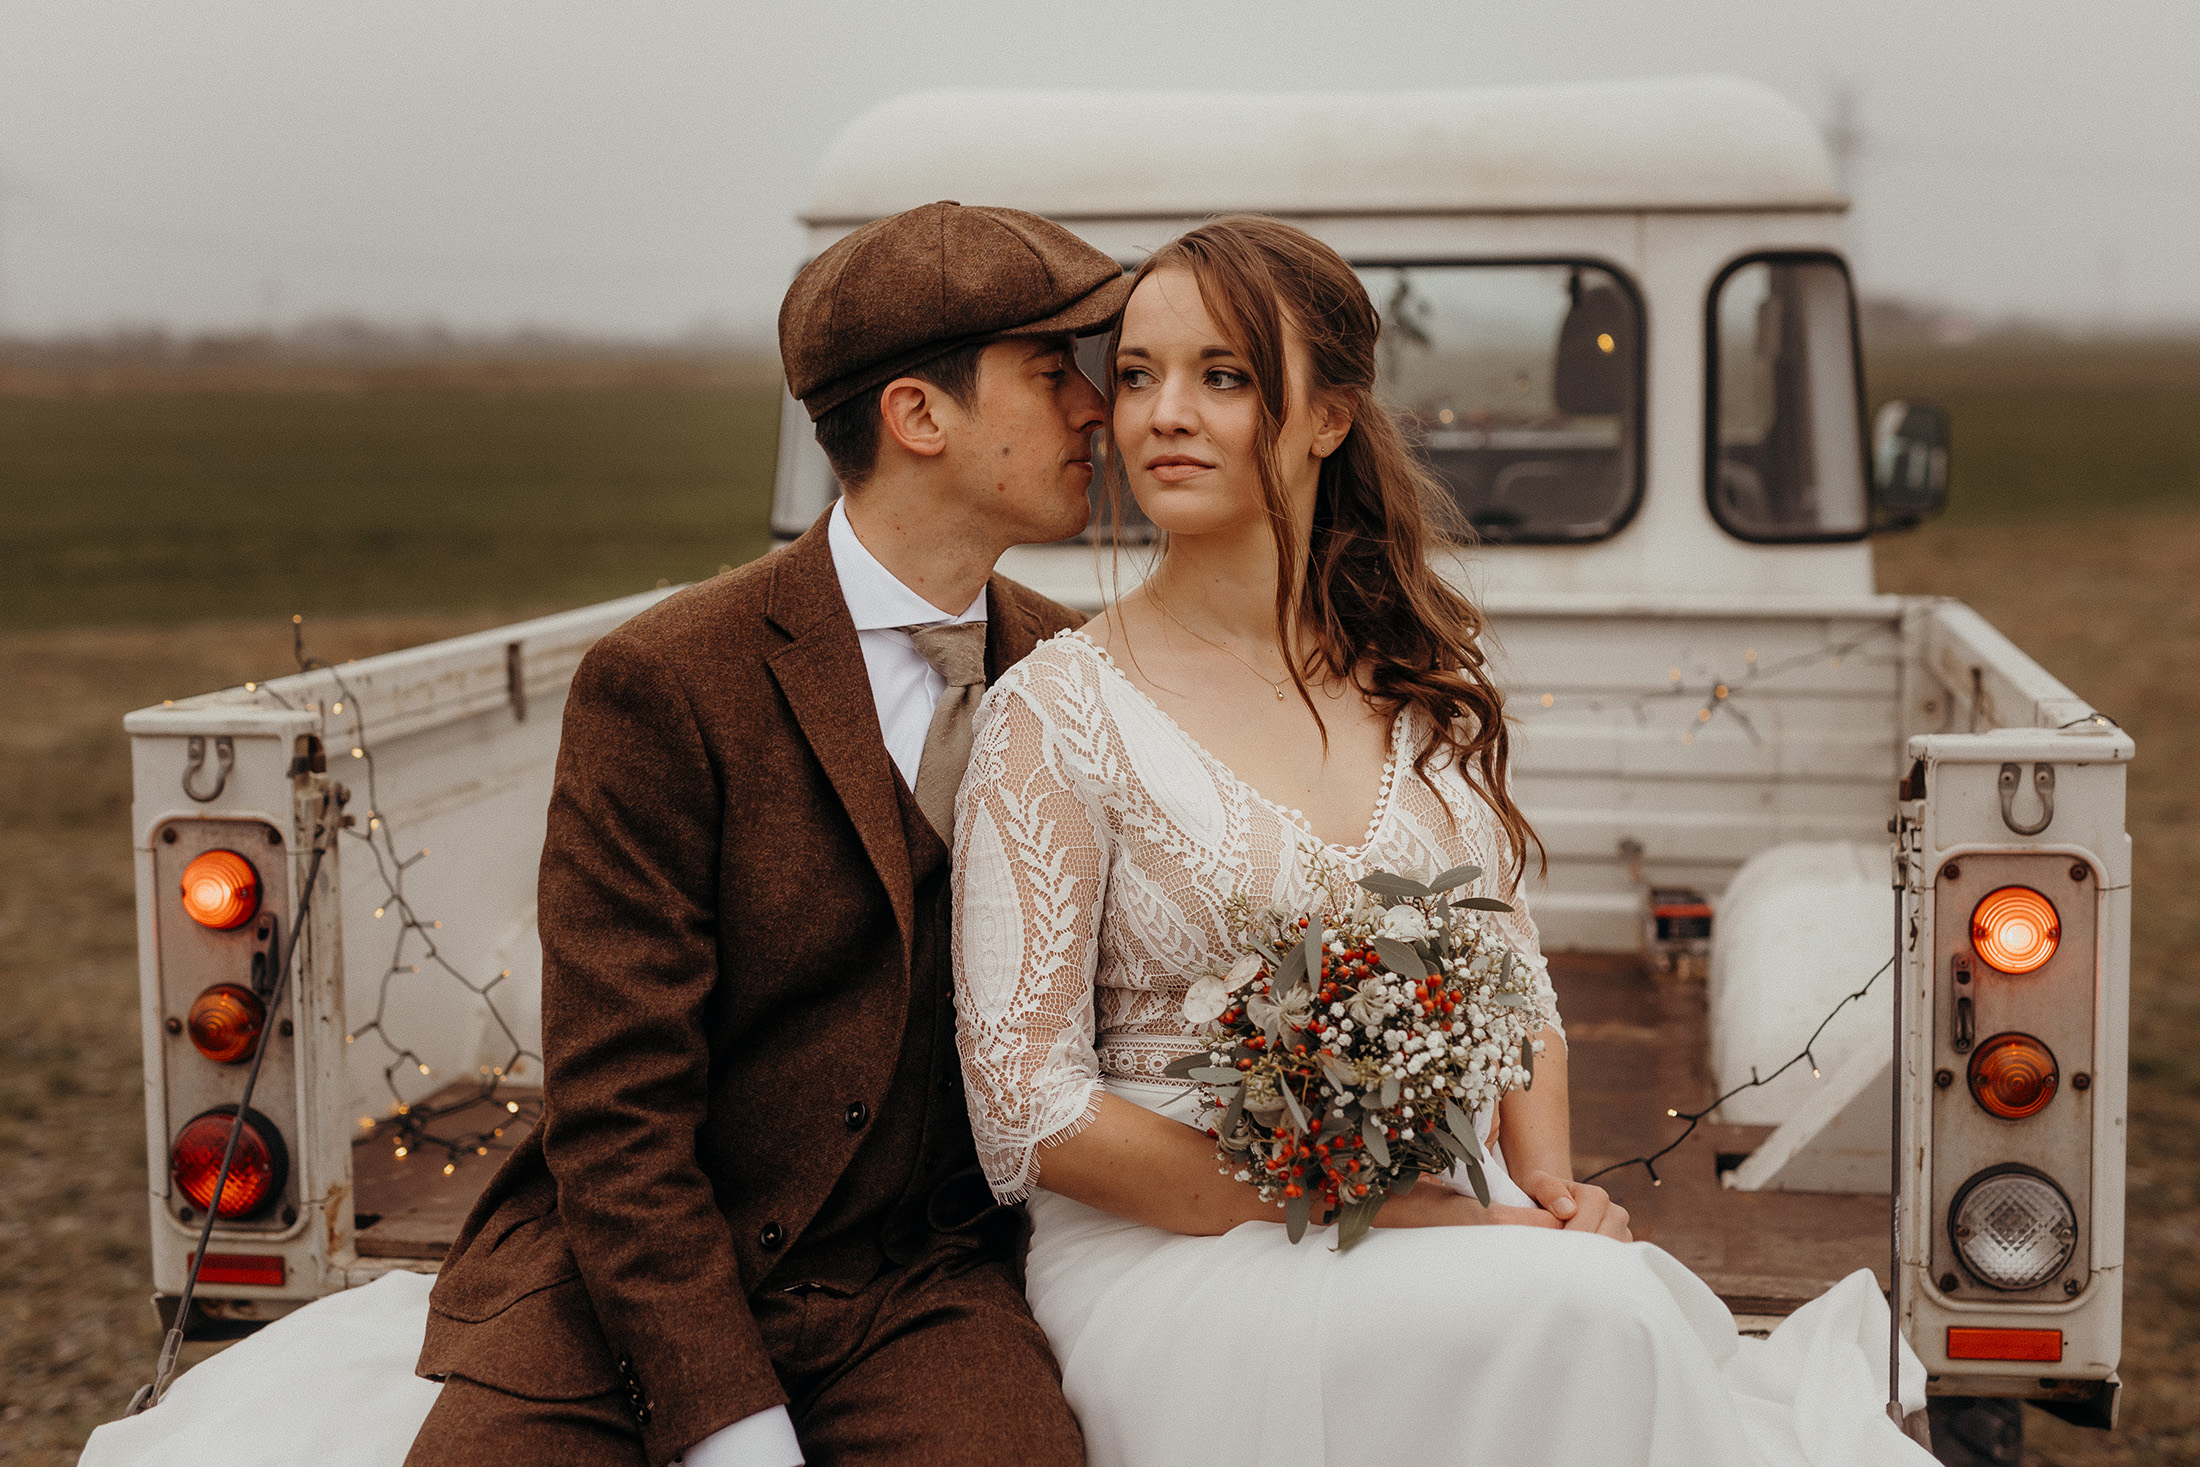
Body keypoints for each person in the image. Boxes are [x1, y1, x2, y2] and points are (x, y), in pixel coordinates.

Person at [78, 200, 1124, 1467]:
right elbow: (616, 1107)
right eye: (1050, 368)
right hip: (627, 1278)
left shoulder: (1070, 669)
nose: (1094, 405)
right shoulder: (670, 678)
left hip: (915, 1287)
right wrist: (725, 1418)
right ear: (917, 416)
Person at [949, 215, 1935, 1467]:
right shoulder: (1055, 712)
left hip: (1444, 1219)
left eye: (1225, 376)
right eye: (1136, 376)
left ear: (1329, 417)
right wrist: (1396, 1209)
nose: (1162, 416)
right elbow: (1026, 1115)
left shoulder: (1415, 685)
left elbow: (1515, 992)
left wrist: (1552, 1194)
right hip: (1176, 1263)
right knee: (1601, 1321)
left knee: (1598, 1296)